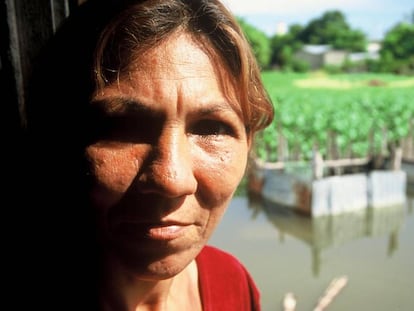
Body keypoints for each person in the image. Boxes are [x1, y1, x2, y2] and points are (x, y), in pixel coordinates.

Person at [22, 0, 274, 310]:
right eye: (123, 127)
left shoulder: (233, 284)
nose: (172, 180)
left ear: (247, 143)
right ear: (57, 138)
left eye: (211, 129)